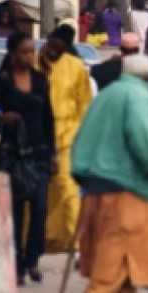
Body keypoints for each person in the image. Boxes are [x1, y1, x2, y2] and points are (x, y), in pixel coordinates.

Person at [72, 54, 148, 292]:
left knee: (125, 275)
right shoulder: (139, 97)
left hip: (95, 190)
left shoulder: (106, 95)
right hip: (126, 194)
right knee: (109, 276)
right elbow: (146, 141)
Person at [0, 32, 55, 285]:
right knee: (17, 213)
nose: (29, 56)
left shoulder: (41, 81)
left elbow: (48, 119)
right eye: (24, 51)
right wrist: (0, 119)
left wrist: (53, 153)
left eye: (31, 51)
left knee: (40, 209)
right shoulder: (1, 82)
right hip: (12, 154)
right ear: (13, 53)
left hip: (39, 153)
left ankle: (33, 260)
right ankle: (19, 265)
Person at [37, 24, 93, 255]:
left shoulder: (76, 67)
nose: (52, 51)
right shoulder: (33, 64)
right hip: (37, 136)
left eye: (58, 48)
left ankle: (77, 242)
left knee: (68, 188)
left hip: (68, 136)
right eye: (51, 45)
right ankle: (44, 238)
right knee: (41, 192)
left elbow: (85, 105)